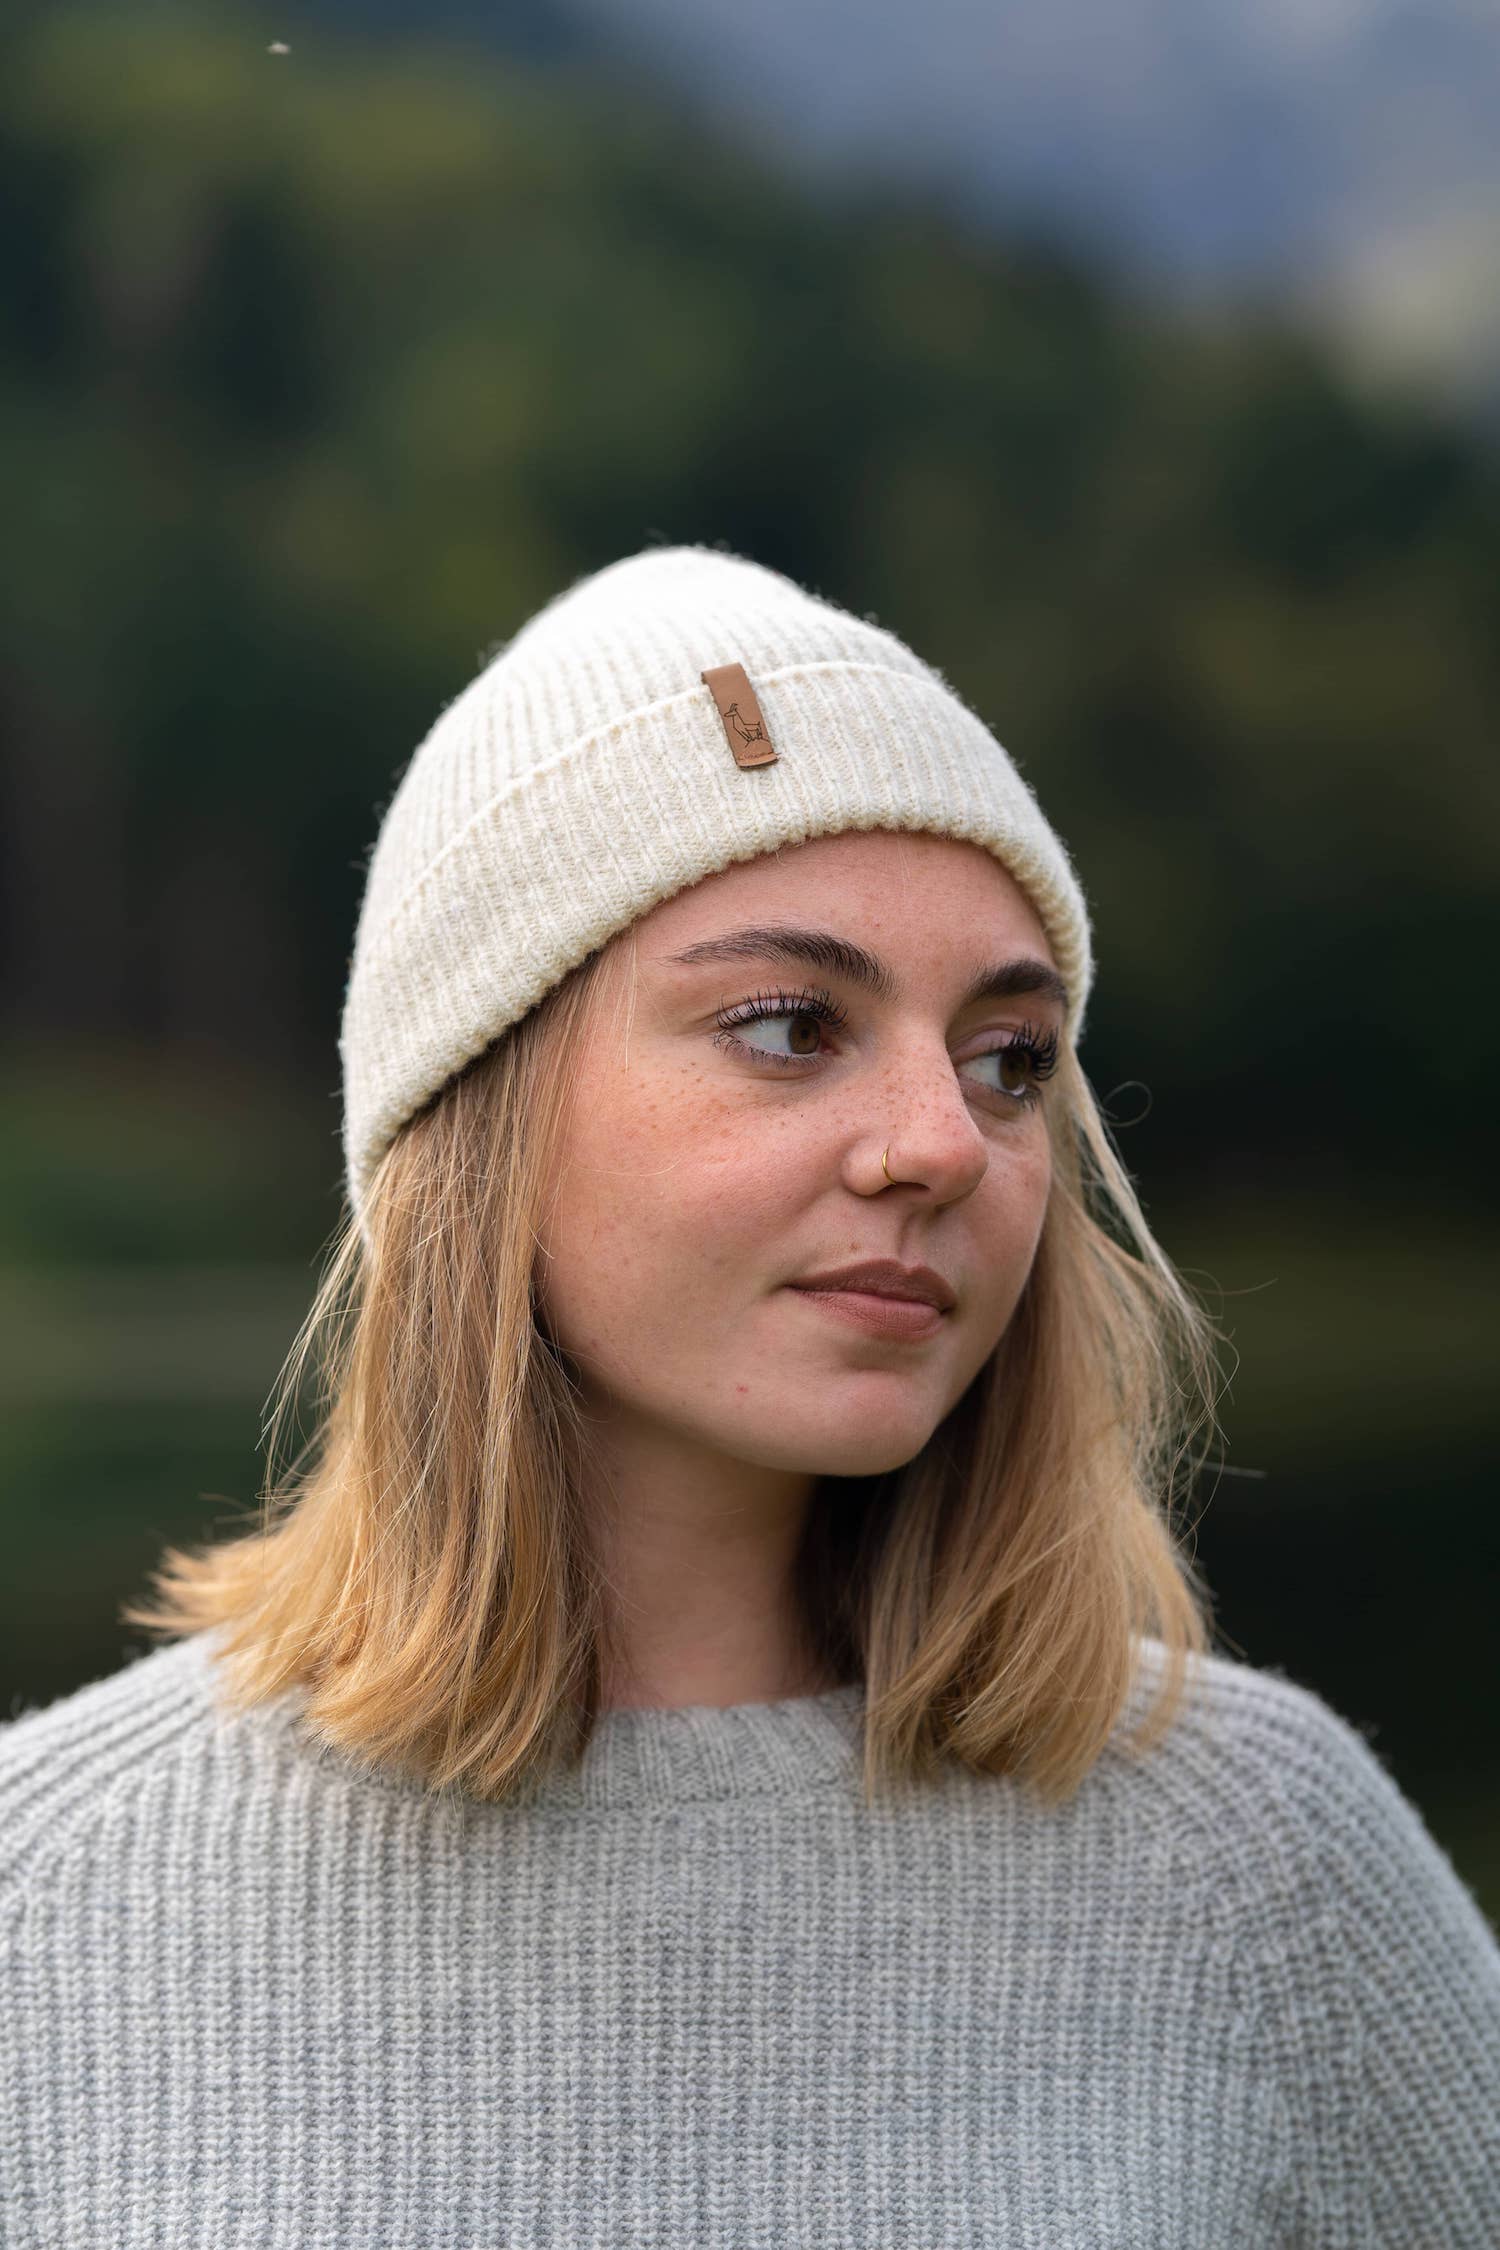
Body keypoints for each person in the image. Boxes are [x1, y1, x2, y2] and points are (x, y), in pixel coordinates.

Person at [3, 543, 1497, 2246]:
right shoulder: (43, 1907)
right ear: (473, 1101)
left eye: (1012, 1058)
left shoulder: (1266, 1876)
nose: (946, 1138)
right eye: (792, 1024)